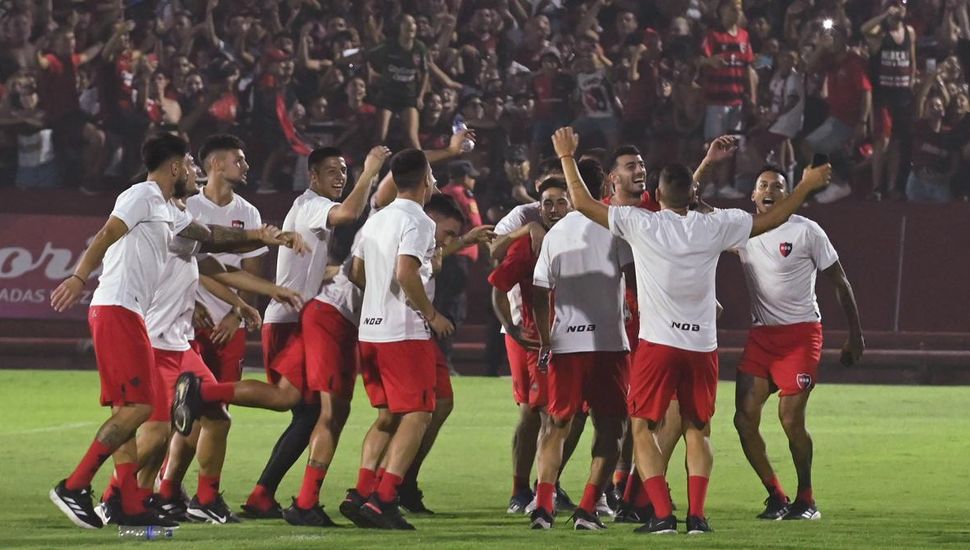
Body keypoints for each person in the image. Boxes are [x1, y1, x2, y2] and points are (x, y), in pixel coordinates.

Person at [551, 126, 832, 535]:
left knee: (641, 427)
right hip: (703, 346)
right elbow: (772, 218)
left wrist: (566, 157)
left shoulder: (640, 223)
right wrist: (804, 185)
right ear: (692, 195)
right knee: (698, 429)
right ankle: (697, 517)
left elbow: (580, 201)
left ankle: (663, 513)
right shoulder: (714, 225)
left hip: (658, 345)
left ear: (658, 196)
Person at [48, 133, 290, 529]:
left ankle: (126, 499)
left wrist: (258, 236)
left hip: (134, 315)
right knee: (142, 412)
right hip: (116, 308)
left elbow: (210, 238)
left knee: (134, 411)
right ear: (174, 167)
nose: (195, 171)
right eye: (191, 165)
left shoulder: (168, 210)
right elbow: (108, 234)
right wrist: (78, 276)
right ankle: (75, 485)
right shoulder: (141, 195)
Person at [250, 144, 390, 525]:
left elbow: (316, 267)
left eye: (344, 171)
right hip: (288, 321)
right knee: (296, 404)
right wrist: (370, 171)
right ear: (312, 177)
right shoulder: (310, 204)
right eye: (332, 171)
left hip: (297, 317)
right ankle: (201, 391)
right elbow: (348, 212)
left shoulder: (308, 211)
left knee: (307, 415)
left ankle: (262, 495)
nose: (340, 177)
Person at [734, 165, 864, 522]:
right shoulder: (741, 230)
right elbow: (694, 210)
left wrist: (855, 334)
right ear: (753, 194)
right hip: (761, 336)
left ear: (788, 193)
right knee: (744, 420)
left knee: (790, 419)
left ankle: (806, 498)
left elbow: (840, 281)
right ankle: (776, 495)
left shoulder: (807, 230)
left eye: (777, 185)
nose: (769, 190)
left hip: (800, 335)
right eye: (762, 185)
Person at [340, 148, 453, 530]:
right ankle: (383, 499)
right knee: (420, 413)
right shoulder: (419, 221)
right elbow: (406, 272)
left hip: (369, 331)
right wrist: (432, 314)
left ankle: (360, 492)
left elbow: (355, 271)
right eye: (432, 175)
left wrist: (378, 298)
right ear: (425, 181)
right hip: (403, 333)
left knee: (388, 416)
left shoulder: (375, 220)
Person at [529, 158, 632, 530]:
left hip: (565, 344)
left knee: (556, 424)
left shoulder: (556, 232)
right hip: (608, 344)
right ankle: (587, 509)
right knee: (611, 428)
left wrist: (545, 336)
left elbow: (539, 290)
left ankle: (542, 505)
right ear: (605, 183)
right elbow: (635, 280)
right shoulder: (615, 225)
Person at [489, 177, 580, 515]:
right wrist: (512, 328)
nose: (555, 209)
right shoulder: (524, 228)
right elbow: (494, 260)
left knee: (565, 414)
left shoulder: (582, 233)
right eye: (548, 203)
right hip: (532, 338)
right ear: (538, 204)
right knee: (537, 412)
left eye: (561, 201)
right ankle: (523, 491)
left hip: (572, 339)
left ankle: (549, 486)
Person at [862, 0, 917, 200]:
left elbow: (912, 59)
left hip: (902, 95)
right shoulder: (880, 33)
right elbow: (864, 30)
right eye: (895, 5)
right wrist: (884, 16)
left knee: (896, 141)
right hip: (884, 94)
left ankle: (892, 186)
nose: (899, 9)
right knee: (882, 140)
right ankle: (877, 187)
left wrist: (911, 83)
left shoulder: (909, 32)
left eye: (902, 5)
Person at [436, 160, 484, 372]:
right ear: (464, 177)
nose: (473, 181)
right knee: (453, 309)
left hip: (445, 257)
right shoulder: (462, 194)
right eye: (471, 177)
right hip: (457, 258)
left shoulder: (442, 192)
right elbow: (476, 226)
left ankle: (441, 359)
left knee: (443, 305)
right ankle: (444, 360)